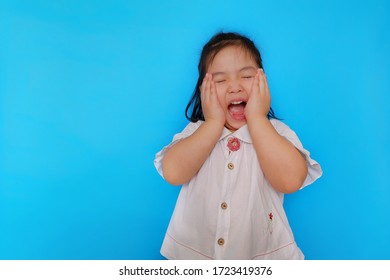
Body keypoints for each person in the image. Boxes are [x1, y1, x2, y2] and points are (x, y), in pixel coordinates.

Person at [154, 32, 322, 260]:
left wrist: (258, 119)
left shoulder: (276, 133)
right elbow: (173, 173)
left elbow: (291, 180)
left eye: (246, 76)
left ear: (263, 82)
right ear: (205, 90)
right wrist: (213, 123)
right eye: (221, 80)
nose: (234, 87)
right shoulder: (196, 132)